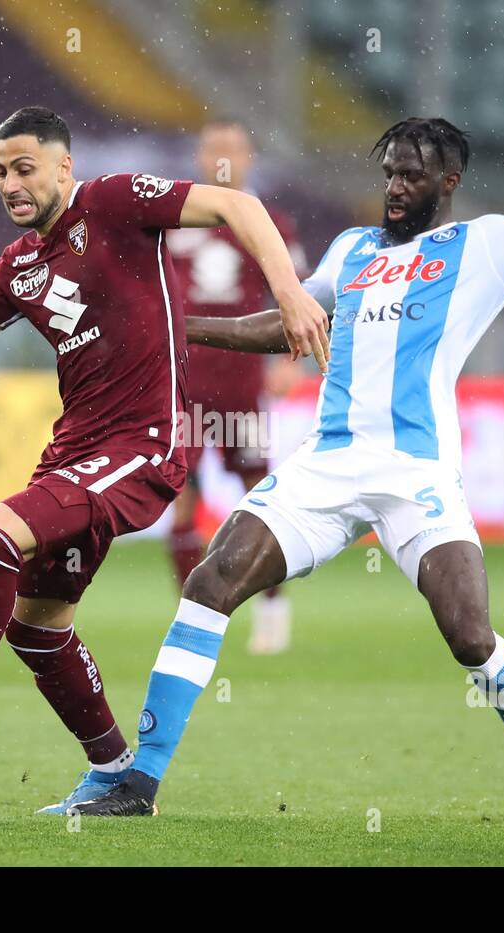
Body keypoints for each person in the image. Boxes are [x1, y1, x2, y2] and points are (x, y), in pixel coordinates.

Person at [72, 95, 504, 821]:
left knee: (470, 634)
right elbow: (286, 327)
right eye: (389, 174)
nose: (395, 188)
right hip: (327, 464)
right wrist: (175, 330)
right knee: (211, 581)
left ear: (449, 183)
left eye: (411, 176)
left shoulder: (488, 245)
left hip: (416, 476)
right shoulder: (351, 251)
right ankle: (139, 784)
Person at [0, 106, 328, 814]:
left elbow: (235, 202)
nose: (10, 184)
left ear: (62, 167)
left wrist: (290, 293)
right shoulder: (20, 265)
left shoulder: (112, 203)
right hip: (77, 451)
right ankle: (113, 773)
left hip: (145, 443)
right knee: (37, 628)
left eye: (24, 168)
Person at [164, 118, 308, 654]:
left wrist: (292, 355)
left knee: (257, 498)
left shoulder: (270, 223)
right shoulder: (173, 217)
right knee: (178, 492)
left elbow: (296, 290)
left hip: (242, 381)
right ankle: (195, 619)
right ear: (200, 156)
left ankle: (272, 606)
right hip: (181, 382)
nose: (223, 158)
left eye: (233, 149)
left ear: (249, 157)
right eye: (214, 149)